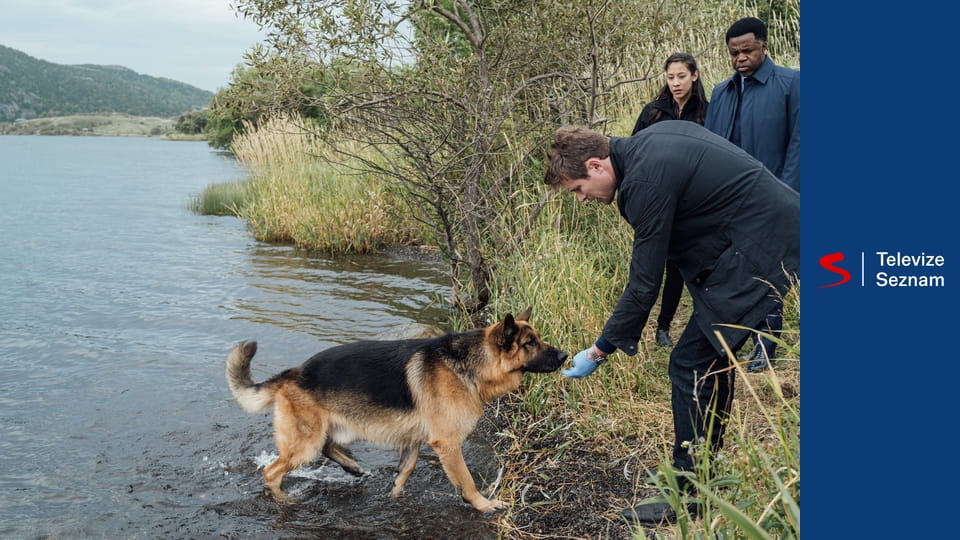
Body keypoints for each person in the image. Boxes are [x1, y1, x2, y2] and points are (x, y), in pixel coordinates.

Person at [544, 122, 799, 524]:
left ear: (595, 166)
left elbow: (643, 284)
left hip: (762, 246)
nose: (582, 199)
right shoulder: (650, 145)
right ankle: (704, 475)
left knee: (690, 363)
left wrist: (601, 349)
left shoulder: (643, 181)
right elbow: (677, 249)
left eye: (577, 189)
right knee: (710, 357)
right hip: (766, 232)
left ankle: (689, 492)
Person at [705, 17, 800, 372]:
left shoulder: (792, 83)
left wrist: (785, 194)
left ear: (763, 46)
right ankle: (735, 336)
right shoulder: (721, 92)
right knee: (734, 269)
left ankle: (766, 344)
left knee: (770, 271)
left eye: (747, 50)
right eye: (734, 53)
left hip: (775, 197)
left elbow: (800, 143)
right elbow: (711, 147)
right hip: (729, 200)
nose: (740, 58)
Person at [631, 52, 709, 348]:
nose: (675, 83)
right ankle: (633, 329)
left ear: (694, 75)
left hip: (691, 201)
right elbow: (634, 149)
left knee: (678, 266)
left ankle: (665, 326)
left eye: (681, 76)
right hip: (655, 199)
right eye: (670, 77)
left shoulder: (706, 112)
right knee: (647, 265)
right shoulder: (653, 111)